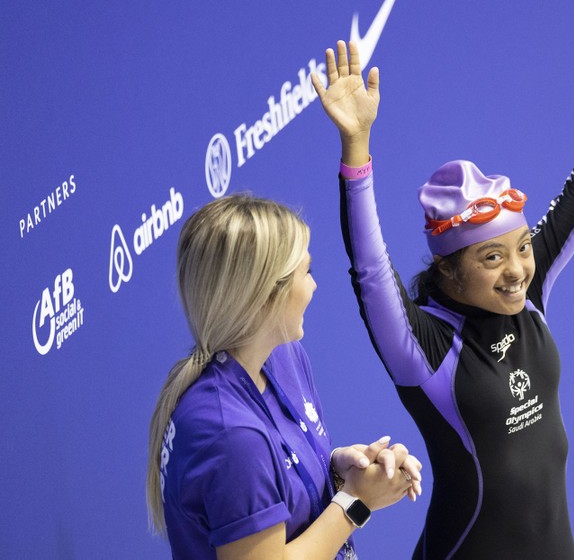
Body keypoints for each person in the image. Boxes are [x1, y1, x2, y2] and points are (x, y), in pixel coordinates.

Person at [312, 0, 574, 559]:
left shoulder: (528, 294)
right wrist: (356, 146)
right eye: (491, 258)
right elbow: (369, 269)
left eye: (523, 247)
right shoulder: (425, 347)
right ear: (449, 270)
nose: (517, 271)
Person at [145, 194, 423, 560]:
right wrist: (357, 499)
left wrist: (339, 471)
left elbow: (279, 486)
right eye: (306, 272)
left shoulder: (283, 356)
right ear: (264, 296)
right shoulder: (231, 435)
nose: (314, 286)